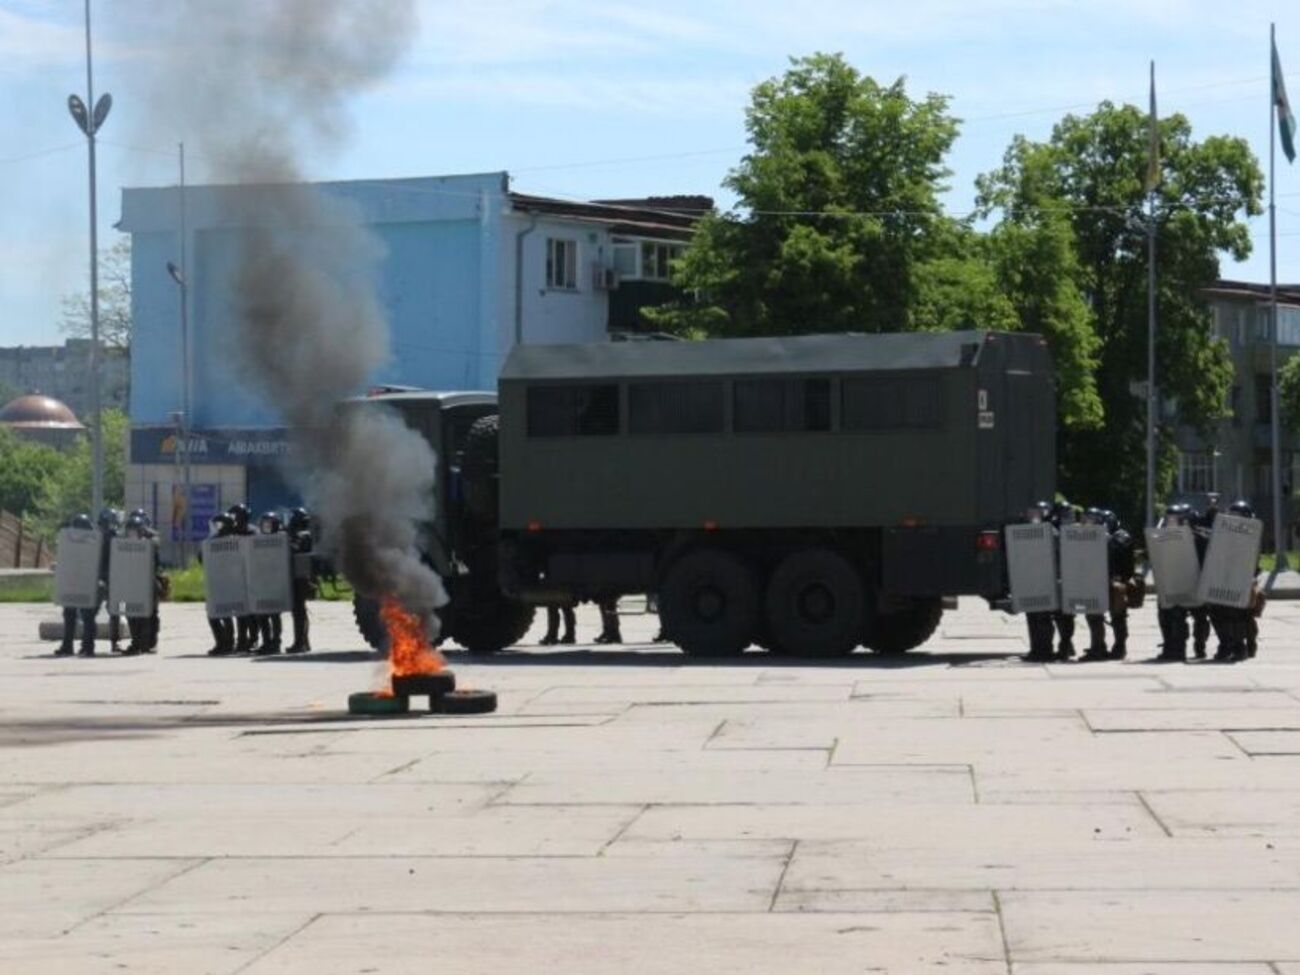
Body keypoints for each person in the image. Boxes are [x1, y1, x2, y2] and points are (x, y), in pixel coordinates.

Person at [1152, 503, 1193, 663]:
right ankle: (1168, 646)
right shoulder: (1161, 536)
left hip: (1182, 582)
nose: (1170, 522)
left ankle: (1179, 648)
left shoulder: (1190, 536)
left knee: (1178, 616)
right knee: (1164, 616)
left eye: (1174, 519)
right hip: (1166, 582)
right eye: (1168, 519)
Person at [121, 509, 162, 656]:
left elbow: (154, 545)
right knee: (129, 612)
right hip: (130, 581)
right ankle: (136, 642)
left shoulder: (152, 539)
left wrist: (144, 536)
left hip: (149, 580)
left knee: (149, 614)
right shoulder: (124, 542)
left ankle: (148, 643)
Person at [1021, 501, 1057, 663]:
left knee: (1043, 618)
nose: (1033, 516)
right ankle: (1036, 649)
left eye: (1037, 513)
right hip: (1031, 579)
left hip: (1046, 580)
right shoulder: (1026, 532)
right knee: (1032, 616)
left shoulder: (1052, 531)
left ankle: (1045, 650)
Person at [55, 513, 95, 657]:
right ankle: (68, 646)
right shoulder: (69, 542)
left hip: (86, 582)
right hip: (72, 581)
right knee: (69, 614)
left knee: (87, 617)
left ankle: (87, 646)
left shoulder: (93, 542)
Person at [203, 513, 237, 657]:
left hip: (225, 582)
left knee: (221, 614)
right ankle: (225, 643)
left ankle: (225, 643)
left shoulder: (229, 542)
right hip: (220, 581)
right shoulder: (230, 541)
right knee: (220, 614)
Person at [227, 504, 259, 654]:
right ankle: (241, 640)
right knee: (240, 611)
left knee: (252, 612)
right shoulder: (230, 532)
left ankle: (252, 639)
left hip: (252, 575)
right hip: (235, 575)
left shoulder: (253, 531)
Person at [253, 511, 285, 655]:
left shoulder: (281, 539)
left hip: (276, 582)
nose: (266, 527)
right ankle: (266, 642)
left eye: (269, 524)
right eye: (264, 524)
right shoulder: (258, 540)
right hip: (262, 581)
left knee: (274, 614)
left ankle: (276, 642)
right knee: (262, 614)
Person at [1050, 500, 1077, 660]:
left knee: (1066, 614)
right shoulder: (1053, 530)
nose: (1068, 517)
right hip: (1059, 576)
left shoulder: (1075, 531)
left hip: (1071, 576)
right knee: (1060, 614)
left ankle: (1066, 645)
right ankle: (1066, 644)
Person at [286, 507, 314, 654]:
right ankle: (304, 642)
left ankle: (300, 643)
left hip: (301, 578)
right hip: (301, 577)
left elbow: (294, 548)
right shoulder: (305, 534)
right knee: (300, 611)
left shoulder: (302, 535)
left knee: (299, 612)